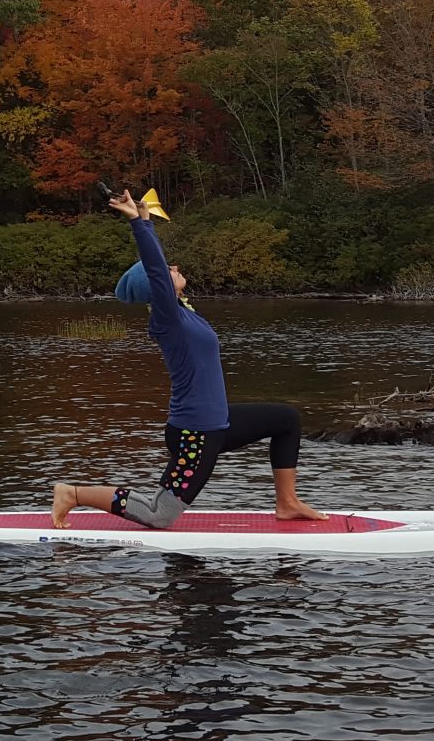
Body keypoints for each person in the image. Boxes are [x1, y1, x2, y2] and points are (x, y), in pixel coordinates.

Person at [51, 188, 330, 528]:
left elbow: (159, 274)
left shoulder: (184, 314)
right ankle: (73, 494)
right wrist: (140, 224)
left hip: (217, 423)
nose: (175, 266)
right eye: (168, 269)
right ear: (158, 289)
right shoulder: (166, 319)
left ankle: (287, 502)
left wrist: (146, 215)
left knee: (286, 419)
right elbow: (154, 269)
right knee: (160, 514)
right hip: (194, 433)